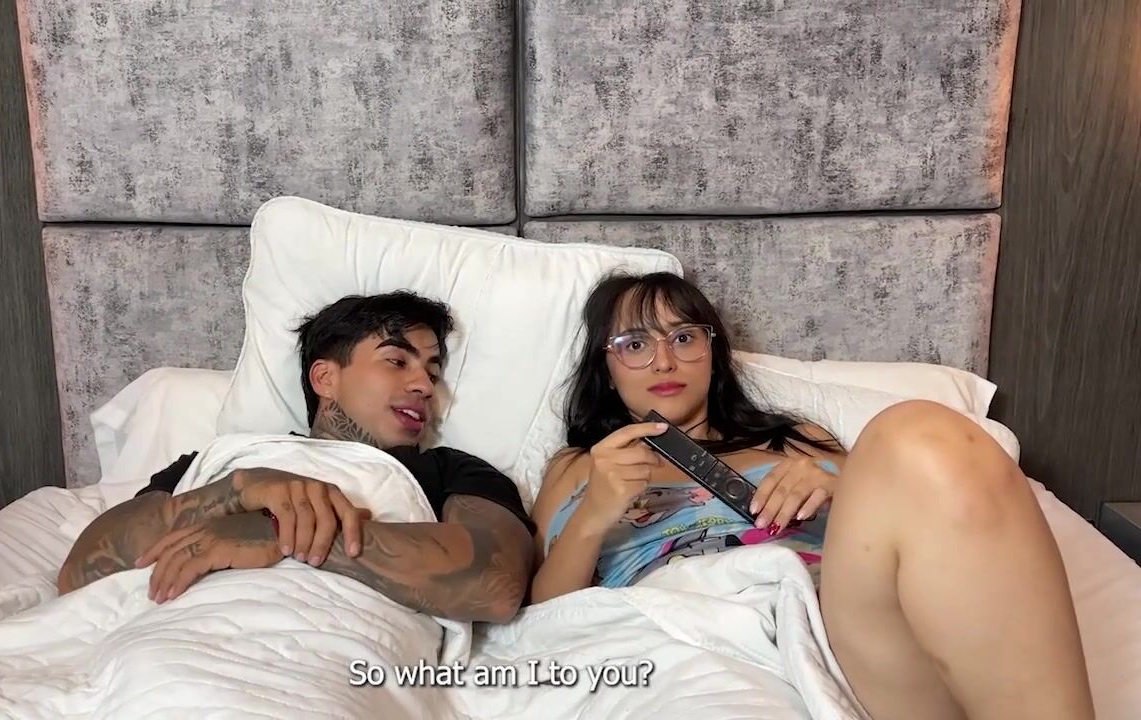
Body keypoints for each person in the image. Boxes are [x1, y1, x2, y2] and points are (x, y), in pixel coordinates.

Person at [529, 271, 1093, 720]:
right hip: (685, 637)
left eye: (683, 337)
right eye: (634, 344)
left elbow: (916, 519)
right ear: (605, 366)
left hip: (846, 630)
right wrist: (594, 515)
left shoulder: (797, 440)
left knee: (922, 432)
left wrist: (841, 491)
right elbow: (544, 620)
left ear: (713, 350)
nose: (664, 360)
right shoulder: (577, 467)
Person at [58, 291, 535, 624]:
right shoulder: (223, 458)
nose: (425, 386)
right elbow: (80, 572)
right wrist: (236, 491)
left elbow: (497, 586)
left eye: (433, 372)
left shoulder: (449, 470)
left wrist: (274, 532)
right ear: (325, 378)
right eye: (397, 361)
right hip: (159, 635)